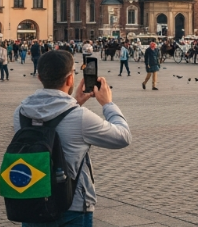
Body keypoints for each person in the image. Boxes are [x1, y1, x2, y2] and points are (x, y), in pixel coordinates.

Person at [14, 50, 131, 226]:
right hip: (72, 205)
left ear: (39, 77)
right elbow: (123, 137)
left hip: (33, 201)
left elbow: (50, 116)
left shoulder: (21, 112)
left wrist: (75, 101)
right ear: (70, 79)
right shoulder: (81, 117)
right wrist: (108, 104)